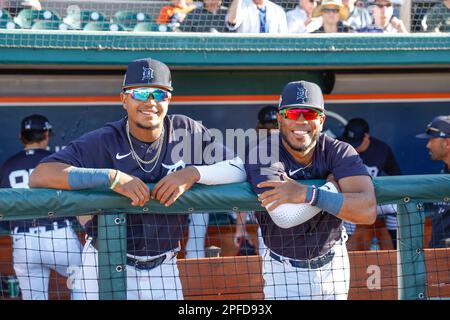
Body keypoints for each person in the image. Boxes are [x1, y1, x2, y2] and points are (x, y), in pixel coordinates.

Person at [28, 58, 246, 300]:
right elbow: (40, 175)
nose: (150, 102)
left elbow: (238, 168)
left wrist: (193, 173)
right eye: (140, 93)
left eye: (159, 94)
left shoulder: (186, 131)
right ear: (124, 99)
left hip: (164, 265)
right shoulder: (104, 140)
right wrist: (110, 178)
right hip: (106, 263)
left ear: (169, 99)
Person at [245, 80, 376, 300]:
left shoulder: (339, 151)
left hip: (332, 265)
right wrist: (332, 187)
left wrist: (309, 194)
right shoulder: (264, 152)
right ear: (280, 118)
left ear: (322, 120)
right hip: (282, 270)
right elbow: (284, 216)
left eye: (310, 113)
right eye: (293, 113)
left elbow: (367, 211)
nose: (302, 121)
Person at [0, 114, 82, 300]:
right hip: (58, 237)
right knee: (84, 283)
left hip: (23, 241)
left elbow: (4, 213)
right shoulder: (56, 161)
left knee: (33, 297)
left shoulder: (8, 165)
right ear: (46, 135)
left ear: (21, 137)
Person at [340, 118, 401, 249]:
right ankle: (340, 252)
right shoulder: (339, 147)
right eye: (350, 142)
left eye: (357, 143)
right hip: (350, 200)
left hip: (373, 200)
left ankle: (398, 250)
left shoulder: (381, 150)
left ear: (366, 137)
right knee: (346, 214)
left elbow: (397, 177)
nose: (353, 147)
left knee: (396, 208)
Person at [416, 115, 450, 248]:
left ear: (447, 143)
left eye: (432, 139)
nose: (428, 145)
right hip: (438, 256)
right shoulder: (444, 171)